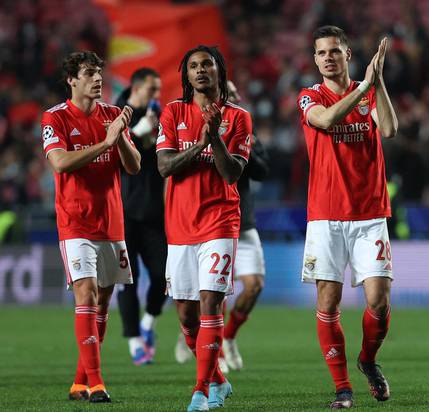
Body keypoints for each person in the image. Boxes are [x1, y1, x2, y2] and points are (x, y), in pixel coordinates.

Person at [297, 26, 398, 408]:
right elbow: (324, 121)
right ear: (315, 58)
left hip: (370, 212)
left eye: (334, 51)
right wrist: (362, 89)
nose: (327, 58)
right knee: (328, 301)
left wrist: (377, 83)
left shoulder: (368, 92)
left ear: (348, 54)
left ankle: (368, 360)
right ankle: (342, 388)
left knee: (379, 300)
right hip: (325, 215)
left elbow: (389, 128)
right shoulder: (309, 96)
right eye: (321, 52)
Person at [156, 45, 252, 412]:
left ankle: (200, 391)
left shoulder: (239, 117)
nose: (200, 71)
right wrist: (201, 143)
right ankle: (220, 382)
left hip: (220, 220)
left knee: (211, 302)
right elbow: (165, 167)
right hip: (180, 225)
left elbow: (232, 173)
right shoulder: (173, 112)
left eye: (207, 65)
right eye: (193, 66)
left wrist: (215, 137)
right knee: (186, 314)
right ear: (186, 75)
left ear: (219, 72)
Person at [41, 51, 141, 402]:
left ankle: (79, 380)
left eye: (99, 73)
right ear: (71, 80)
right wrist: (105, 142)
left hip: (111, 224)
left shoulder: (113, 115)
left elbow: (134, 166)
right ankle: (97, 383)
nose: (97, 79)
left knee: (102, 303)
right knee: (85, 295)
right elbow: (61, 163)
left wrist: (121, 137)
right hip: (75, 223)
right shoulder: (54, 118)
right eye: (88, 73)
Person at [115, 67, 168, 365]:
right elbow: (111, 157)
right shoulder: (115, 115)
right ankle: (135, 341)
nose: (156, 95)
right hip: (121, 213)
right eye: (152, 88)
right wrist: (137, 132)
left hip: (154, 213)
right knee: (127, 282)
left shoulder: (159, 117)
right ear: (136, 87)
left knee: (163, 277)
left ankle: (149, 323)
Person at [221, 80, 270, 371]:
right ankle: (207, 346)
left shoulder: (245, 127)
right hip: (211, 222)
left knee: (253, 286)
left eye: (238, 93)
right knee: (212, 292)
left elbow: (263, 171)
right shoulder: (199, 126)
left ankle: (227, 337)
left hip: (243, 219)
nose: (237, 97)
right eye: (231, 93)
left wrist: (245, 149)